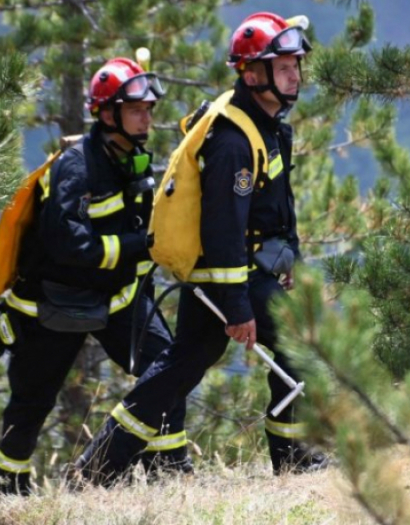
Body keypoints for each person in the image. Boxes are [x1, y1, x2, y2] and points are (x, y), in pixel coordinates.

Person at [75, 12, 328, 484]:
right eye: (284, 65)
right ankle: (292, 459)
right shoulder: (233, 142)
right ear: (253, 75)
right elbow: (223, 228)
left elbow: (275, 203)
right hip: (229, 277)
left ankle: (95, 468)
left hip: (229, 275)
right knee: (302, 350)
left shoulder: (268, 127)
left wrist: (288, 251)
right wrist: (237, 305)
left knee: (174, 374)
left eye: (297, 64)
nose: (295, 73)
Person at [0, 57, 190, 496]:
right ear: (107, 113)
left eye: (150, 110)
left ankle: (170, 472)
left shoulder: (131, 158)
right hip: (56, 305)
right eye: (137, 109)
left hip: (119, 300)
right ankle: (9, 493)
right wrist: (141, 245)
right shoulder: (75, 168)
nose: (147, 118)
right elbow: (69, 246)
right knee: (31, 404)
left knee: (169, 372)